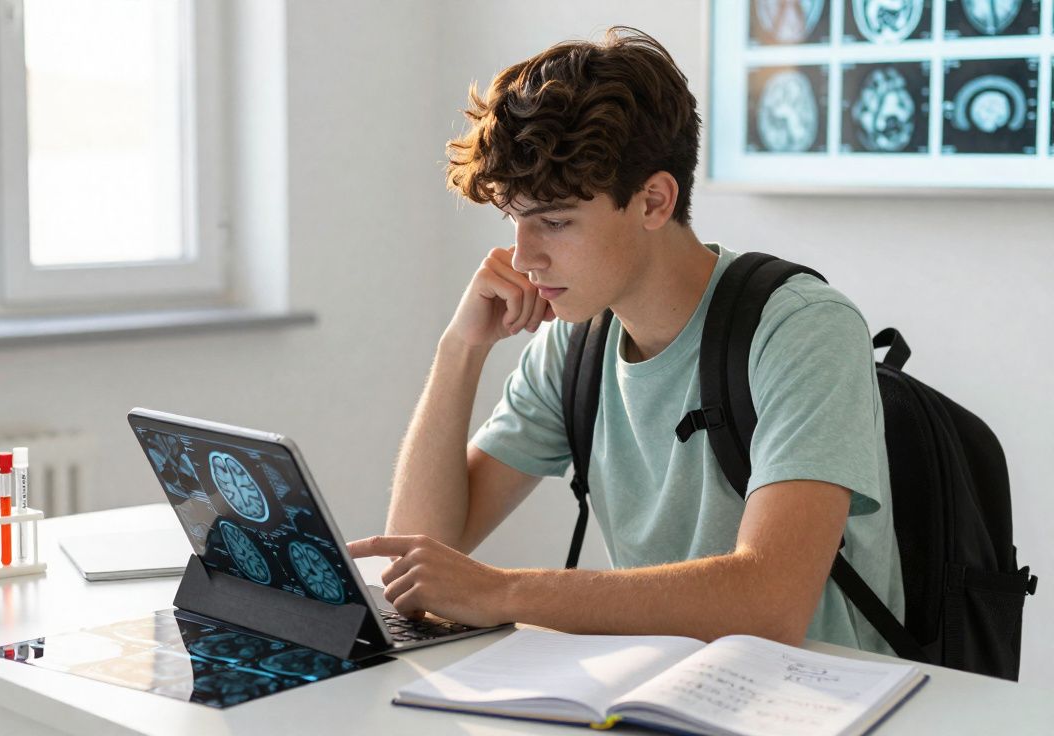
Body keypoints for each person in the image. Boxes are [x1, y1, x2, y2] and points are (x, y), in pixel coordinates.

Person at [346, 26, 904, 653]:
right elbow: (418, 553)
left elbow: (771, 601)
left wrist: (502, 592)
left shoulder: (802, 328)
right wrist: (460, 350)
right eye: (515, 220)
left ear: (654, 201)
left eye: (554, 222)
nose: (523, 257)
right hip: (654, 687)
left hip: (816, 700)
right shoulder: (574, 346)